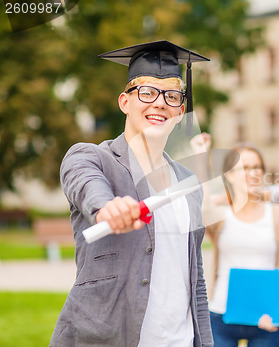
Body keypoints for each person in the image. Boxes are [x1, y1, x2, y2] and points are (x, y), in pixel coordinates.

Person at [50, 41, 213, 347]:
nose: (160, 103)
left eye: (172, 95)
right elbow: (85, 183)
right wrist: (107, 207)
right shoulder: (93, 158)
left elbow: (196, 276)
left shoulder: (187, 182)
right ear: (125, 102)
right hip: (108, 338)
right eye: (147, 92)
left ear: (180, 111)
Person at [191, 134, 279, 347]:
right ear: (229, 175)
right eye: (245, 168)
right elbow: (202, 207)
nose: (253, 173)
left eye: (257, 167)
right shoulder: (221, 215)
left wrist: (277, 313)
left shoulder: (278, 214)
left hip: (265, 319)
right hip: (220, 314)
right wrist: (201, 156)